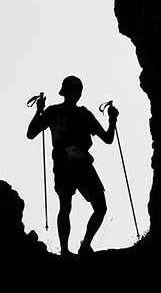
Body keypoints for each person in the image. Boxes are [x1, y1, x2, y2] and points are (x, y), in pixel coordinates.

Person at [27, 76, 116, 255]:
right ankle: (71, 249)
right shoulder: (70, 113)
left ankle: (76, 248)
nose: (77, 92)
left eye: (78, 89)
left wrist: (39, 111)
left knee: (83, 206)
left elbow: (107, 139)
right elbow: (107, 138)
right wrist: (112, 120)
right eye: (75, 89)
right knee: (72, 206)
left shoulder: (66, 112)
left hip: (70, 162)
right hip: (76, 162)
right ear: (67, 91)